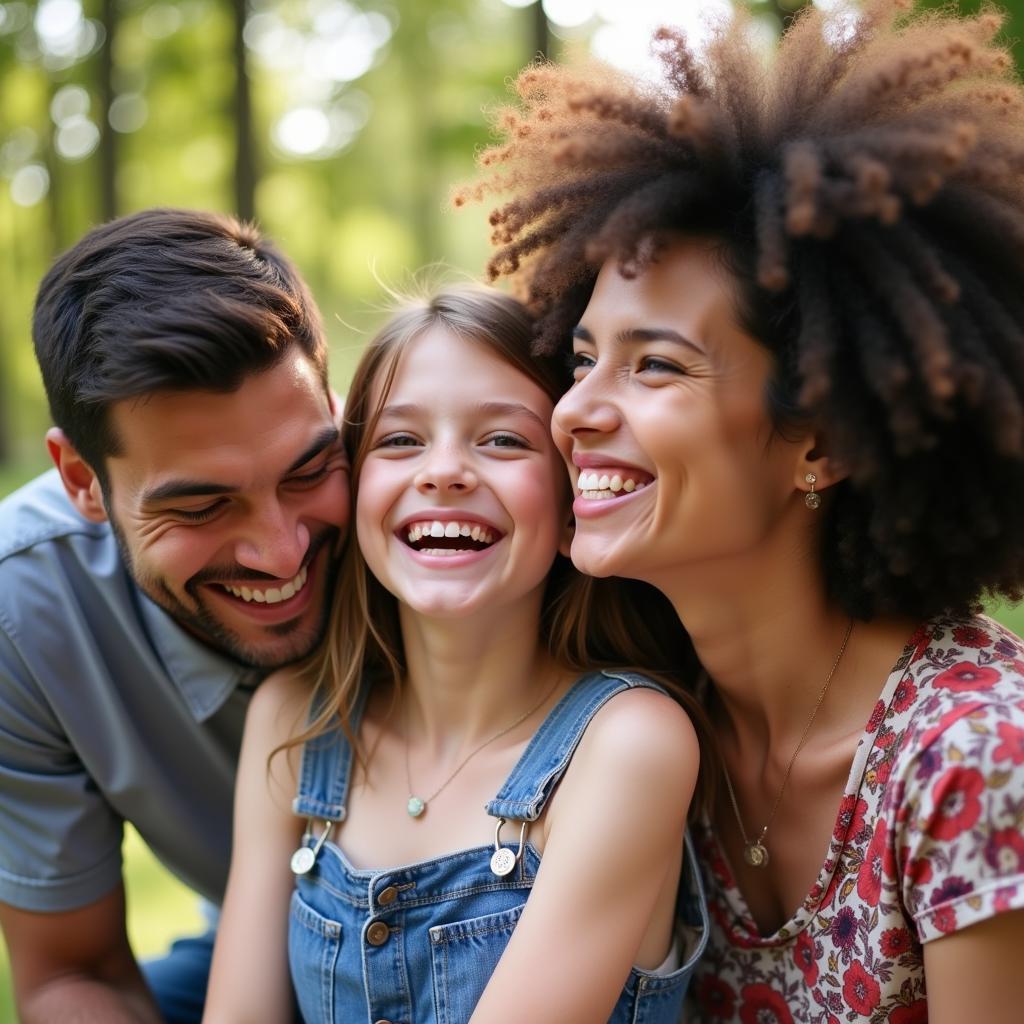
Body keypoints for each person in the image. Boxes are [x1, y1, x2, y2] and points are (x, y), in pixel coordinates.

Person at [462, 0, 1024, 1020]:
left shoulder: (974, 754)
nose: (577, 410)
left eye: (655, 366)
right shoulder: (626, 706)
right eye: (584, 360)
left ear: (821, 442)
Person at [202, 284, 707, 1024]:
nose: (443, 472)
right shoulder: (296, 722)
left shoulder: (628, 744)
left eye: (503, 440)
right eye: (400, 440)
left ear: (572, 506)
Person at [0, 208, 349, 1024]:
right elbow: (69, 972)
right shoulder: (25, 616)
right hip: (253, 954)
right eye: (202, 506)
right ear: (82, 480)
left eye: (309, 471)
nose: (281, 551)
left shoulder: (434, 520)